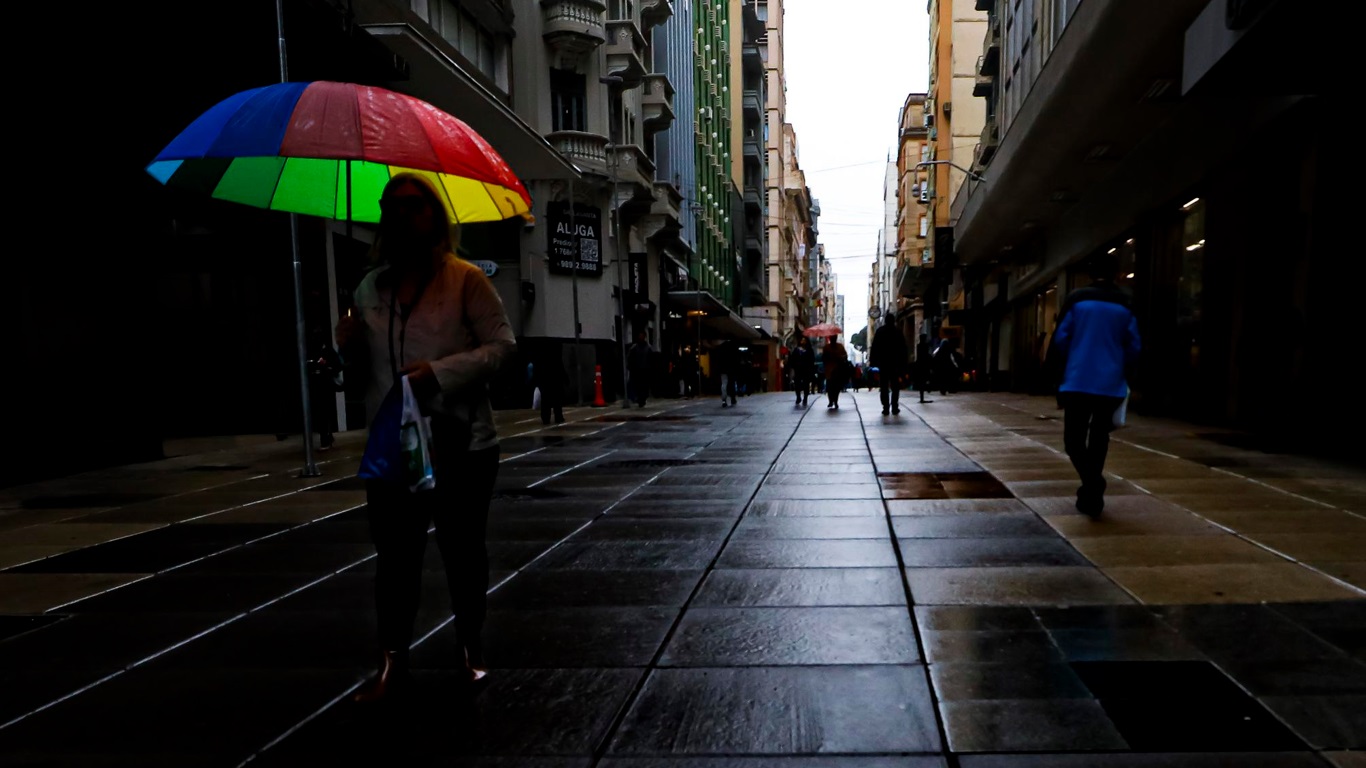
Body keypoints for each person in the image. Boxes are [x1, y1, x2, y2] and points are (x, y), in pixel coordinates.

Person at [334, 172, 516, 702]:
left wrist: (439, 372)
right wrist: (345, 347)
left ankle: (469, 645)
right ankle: (391, 659)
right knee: (395, 557)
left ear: (434, 215)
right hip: (395, 446)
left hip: (461, 442)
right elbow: (362, 375)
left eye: (413, 205)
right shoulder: (368, 288)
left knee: (463, 550)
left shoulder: (465, 281)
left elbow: (503, 347)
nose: (401, 214)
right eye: (391, 206)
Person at [1047, 252, 1141, 518]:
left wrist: (1055, 372)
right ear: (1117, 273)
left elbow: (1061, 340)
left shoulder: (1077, 299)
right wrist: (1127, 373)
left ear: (1091, 273)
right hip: (1110, 383)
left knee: (1073, 440)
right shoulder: (1126, 302)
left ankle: (1092, 484)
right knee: (1100, 437)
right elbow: (1133, 345)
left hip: (1077, 379)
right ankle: (1092, 490)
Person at [306, 327, 345, 449]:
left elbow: (338, 366)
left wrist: (327, 366)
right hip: (316, 386)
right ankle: (326, 435)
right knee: (320, 413)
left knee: (325, 412)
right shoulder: (312, 351)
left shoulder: (328, 351)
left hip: (326, 386)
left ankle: (326, 437)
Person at [870, 312, 909, 416]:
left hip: (883, 364)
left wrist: (873, 362)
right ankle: (895, 406)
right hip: (895, 364)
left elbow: (875, 348)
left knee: (884, 386)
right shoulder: (898, 332)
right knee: (895, 386)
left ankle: (885, 407)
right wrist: (904, 363)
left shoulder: (880, 331)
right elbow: (903, 349)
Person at [531, 346, 568, 425]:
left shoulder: (539, 356)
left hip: (544, 380)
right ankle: (558, 417)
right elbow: (560, 367)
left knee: (545, 400)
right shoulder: (555, 356)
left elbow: (536, 368)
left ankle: (545, 418)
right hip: (555, 379)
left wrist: (536, 380)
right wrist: (565, 379)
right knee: (557, 400)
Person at [787, 336, 817, 407]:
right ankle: (798, 397)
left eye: (804, 340)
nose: (803, 341)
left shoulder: (809, 350)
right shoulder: (796, 350)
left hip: (806, 370)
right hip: (798, 370)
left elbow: (812, 360)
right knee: (797, 384)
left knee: (806, 384)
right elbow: (792, 359)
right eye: (802, 340)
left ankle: (805, 398)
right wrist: (793, 366)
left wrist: (811, 368)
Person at [821, 335, 849, 409]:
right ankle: (831, 401)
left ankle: (835, 401)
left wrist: (840, 358)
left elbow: (845, 356)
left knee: (836, 388)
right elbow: (823, 358)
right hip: (829, 370)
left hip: (838, 370)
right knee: (830, 387)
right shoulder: (826, 347)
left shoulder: (840, 346)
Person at [626, 331, 653, 408]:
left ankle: (643, 398)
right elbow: (630, 357)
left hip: (645, 370)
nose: (641, 337)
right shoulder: (634, 347)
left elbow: (651, 359)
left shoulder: (648, 347)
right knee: (637, 385)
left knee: (644, 386)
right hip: (636, 370)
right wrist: (630, 366)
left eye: (642, 336)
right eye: (640, 336)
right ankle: (639, 398)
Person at [713, 340, 740, 407]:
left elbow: (718, 360)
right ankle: (732, 398)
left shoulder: (721, 348)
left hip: (723, 370)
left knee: (724, 384)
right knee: (732, 384)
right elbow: (736, 359)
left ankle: (724, 400)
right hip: (731, 369)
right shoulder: (733, 347)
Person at [913, 333, 934, 404]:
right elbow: (926, 355)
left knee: (922, 381)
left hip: (920, 365)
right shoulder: (925, 346)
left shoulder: (919, 345)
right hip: (924, 365)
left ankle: (922, 397)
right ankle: (926, 390)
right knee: (925, 379)